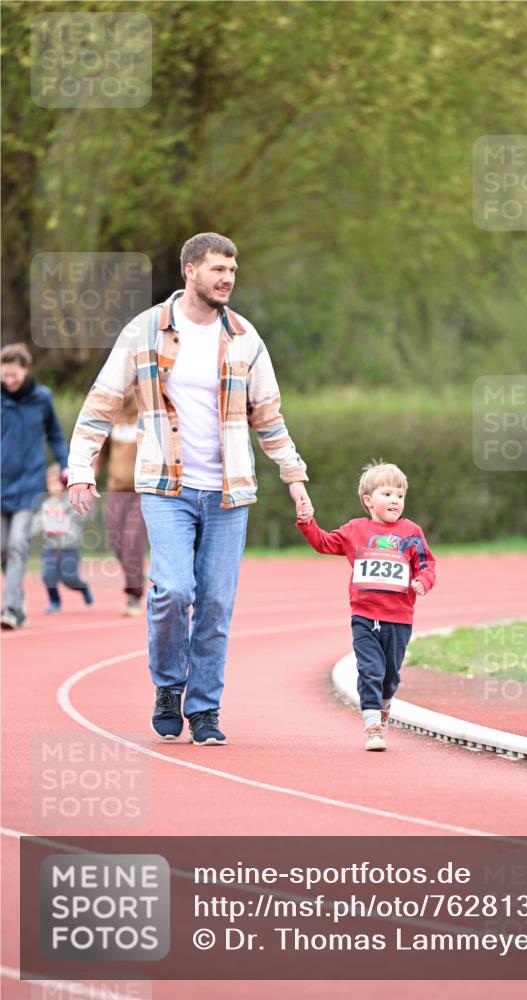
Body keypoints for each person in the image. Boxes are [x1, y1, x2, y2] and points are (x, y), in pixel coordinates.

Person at [68, 232, 311, 745]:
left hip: (229, 493)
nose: (228, 278)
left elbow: (268, 418)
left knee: (217, 604)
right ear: (190, 271)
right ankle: (168, 684)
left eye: (233, 270)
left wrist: (294, 475)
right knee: (174, 590)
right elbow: (101, 404)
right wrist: (81, 467)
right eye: (218, 269)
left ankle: (203, 710)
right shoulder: (144, 332)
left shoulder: (246, 337)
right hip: (166, 486)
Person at [297, 460, 436, 751]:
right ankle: (372, 726)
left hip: (399, 618)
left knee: (390, 676)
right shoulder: (354, 530)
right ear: (368, 501)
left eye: (400, 495)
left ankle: (384, 706)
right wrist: (307, 522)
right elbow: (323, 543)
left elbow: (426, 563)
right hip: (364, 615)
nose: (395, 500)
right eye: (387, 494)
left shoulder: (411, 532)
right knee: (370, 670)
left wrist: (423, 580)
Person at [1, 342, 69, 629]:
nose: (9, 380)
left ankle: (11, 610)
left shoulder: (42, 398)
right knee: (3, 550)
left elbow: (54, 434)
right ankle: (17, 598)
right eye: (4, 375)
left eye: (14, 375)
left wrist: (65, 464)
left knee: (18, 545)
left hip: (29, 484)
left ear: (26, 370)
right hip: (1, 484)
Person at [94, 392, 148, 617]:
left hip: (141, 490)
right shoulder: (112, 417)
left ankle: (134, 594)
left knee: (132, 542)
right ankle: (135, 576)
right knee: (117, 541)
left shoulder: (146, 416)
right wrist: (90, 475)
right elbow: (100, 452)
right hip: (116, 489)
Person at [35, 464, 94, 613]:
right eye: (51, 484)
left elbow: (85, 515)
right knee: (48, 576)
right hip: (50, 547)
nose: (55, 487)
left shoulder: (72, 502)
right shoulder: (46, 505)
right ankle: (55, 601)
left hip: (69, 548)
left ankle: (83, 588)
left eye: (57, 483)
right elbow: (36, 523)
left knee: (69, 579)